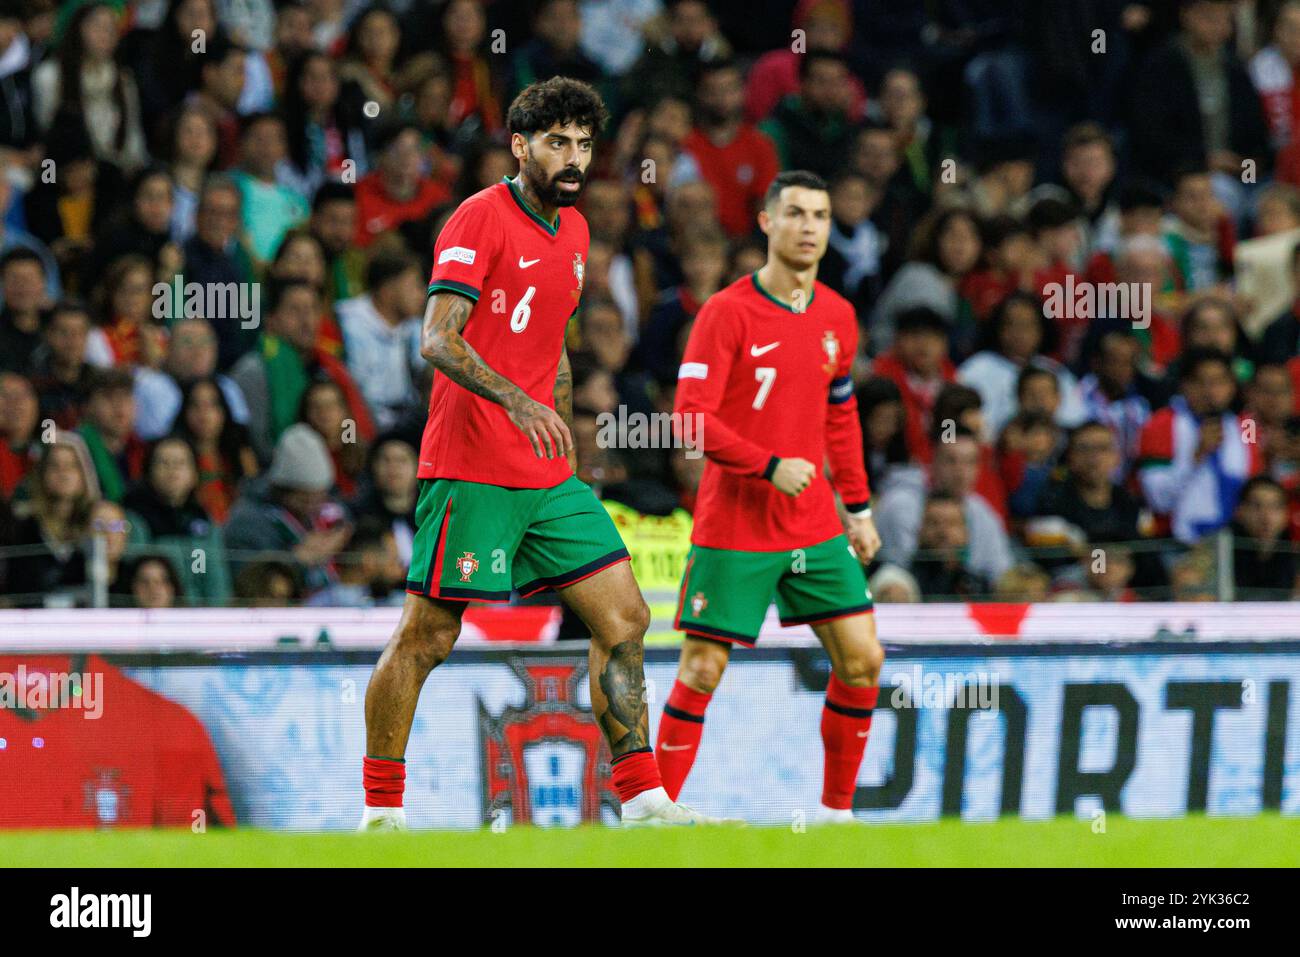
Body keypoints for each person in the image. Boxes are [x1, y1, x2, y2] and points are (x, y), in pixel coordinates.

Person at [360, 77, 715, 830]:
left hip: (546, 474)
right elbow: (436, 337)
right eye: (558, 142)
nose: (574, 157)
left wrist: (554, 420)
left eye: (584, 144)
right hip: (471, 464)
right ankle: (382, 809)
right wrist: (517, 403)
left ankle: (644, 795)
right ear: (520, 146)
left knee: (623, 615)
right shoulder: (476, 217)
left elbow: (550, 343)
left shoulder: (578, 233)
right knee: (428, 634)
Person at [655, 170, 884, 824]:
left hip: (812, 525)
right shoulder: (725, 313)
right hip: (736, 524)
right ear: (765, 223)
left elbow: (840, 415)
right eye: (796, 214)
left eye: (820, 215)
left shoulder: (839, 315)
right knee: (701, 669)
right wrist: (768, 465)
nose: (810, 227)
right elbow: (690, 418)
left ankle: (838, 814)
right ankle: (656, 813)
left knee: (863, 658)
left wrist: (858, 508)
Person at [1137, 347, 1261, 543]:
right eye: (1200, 382)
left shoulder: (1246, 426)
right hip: (1177, 544)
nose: (1210, 391)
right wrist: (1195, 457)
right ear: (1184, 385)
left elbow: (1255, 486)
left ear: (1232, 386)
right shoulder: (1160, 424)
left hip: (1237, 544)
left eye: (1219, 381)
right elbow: (1158, 500)